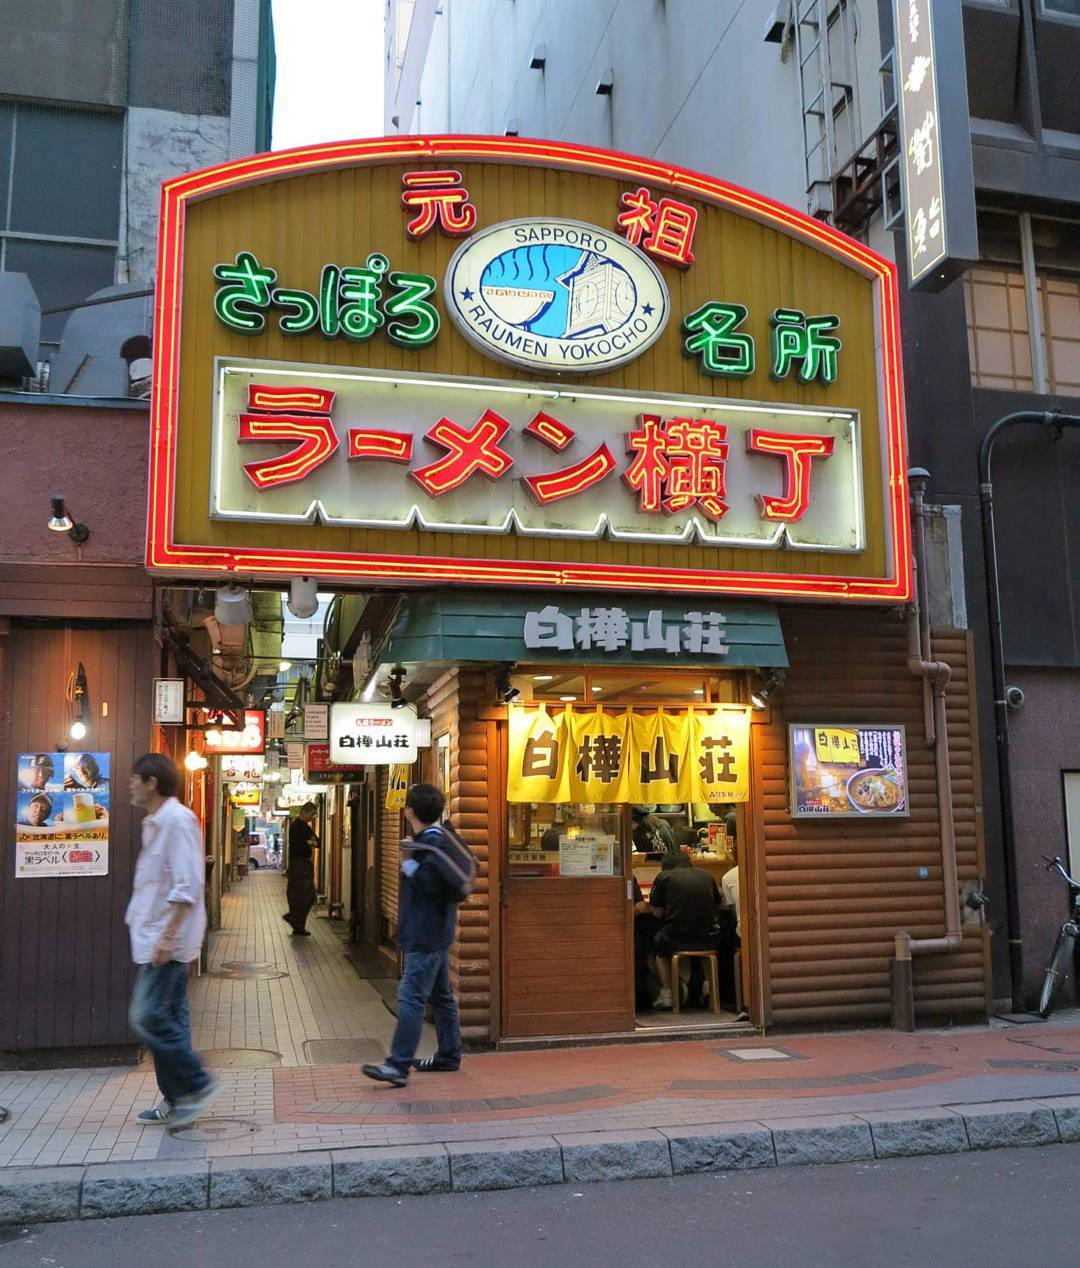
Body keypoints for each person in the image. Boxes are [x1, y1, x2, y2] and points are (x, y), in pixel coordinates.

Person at [126, 753, 218, 1127]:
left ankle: (197, 1085)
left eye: (135, 779)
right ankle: (177, 1098)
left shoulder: (177, 821)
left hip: (166, 941)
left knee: (146, 1017)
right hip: (151, 936)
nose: (130, 785)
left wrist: (166, 937)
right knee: (170, 1020)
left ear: (152, 783)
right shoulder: (154, 823)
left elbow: (187, 885)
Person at [363, 783, 474, 1088]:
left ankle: (397, 1065)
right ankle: (449, 1055)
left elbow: (433, 886)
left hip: (425, 935)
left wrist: (409, 864)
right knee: (441, 997)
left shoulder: (429, 844)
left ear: (410, 810)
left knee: (410, 997)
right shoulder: (435, 840)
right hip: (437, 932)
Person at [649, 853, 722, 1009]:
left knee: (658, 949)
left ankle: (667, 993)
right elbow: (718, 904)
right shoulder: (706, 875)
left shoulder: (663, 877)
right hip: (709, 936)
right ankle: (710, 988)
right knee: (706, 951)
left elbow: (657, 913)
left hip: (676, 936)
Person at [284, 802, 318, 935]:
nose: (312, 817)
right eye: (312, 814)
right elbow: (302, 843)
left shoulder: (305, 827)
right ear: (304, 812)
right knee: (304, 895)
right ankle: (296, 922)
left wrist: (311, 842)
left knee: (304, 896)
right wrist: (309, 842)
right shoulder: (297, 826)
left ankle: (296, 921)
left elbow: (317, 842)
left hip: (301, 864)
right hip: (299, 864)